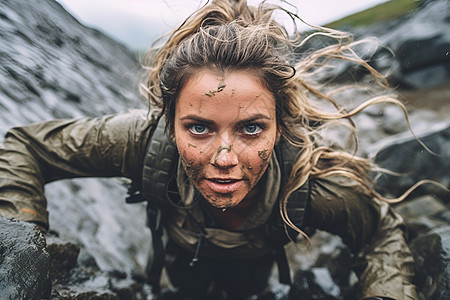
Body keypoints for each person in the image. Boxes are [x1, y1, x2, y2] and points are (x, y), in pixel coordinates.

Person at [0, 0, 421, 299]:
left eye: (252, 128)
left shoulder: (309, 183)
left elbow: (379, 231)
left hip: (255, 266)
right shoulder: (143, 141)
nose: (224, 159)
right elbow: (26, 146)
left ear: (281, 125)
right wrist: (25, 255)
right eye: (198, 127)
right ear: (168, 121)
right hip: (178, 257)